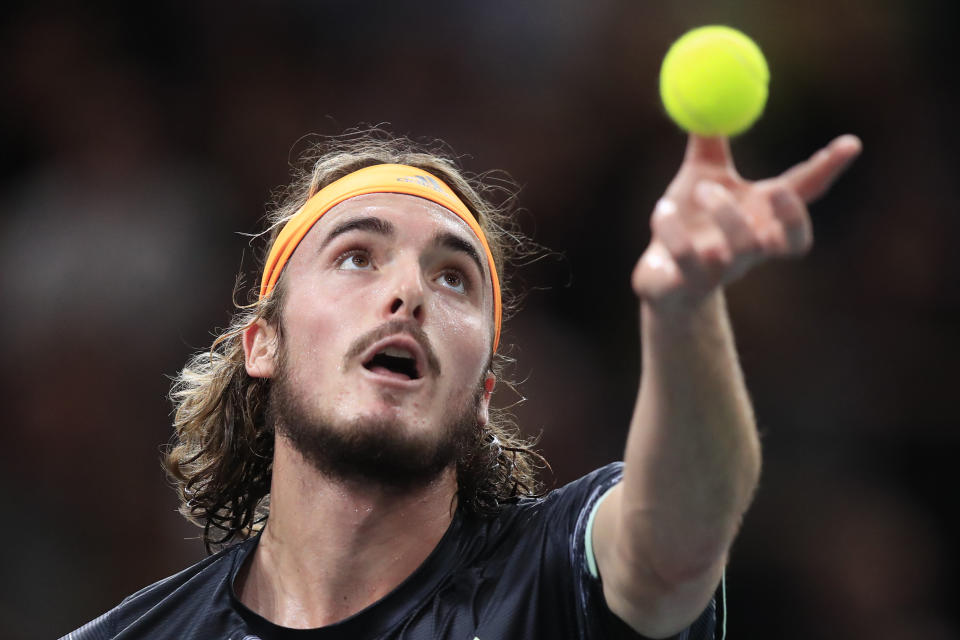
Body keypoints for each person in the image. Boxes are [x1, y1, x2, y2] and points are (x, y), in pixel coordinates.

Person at [63, 129, 861, 639]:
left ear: (482, 396)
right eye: (355, 257)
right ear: (262, 345)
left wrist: (684, 309)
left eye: (453, 278)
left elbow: (681, 541)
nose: (407, 291)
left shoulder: (558, 579)